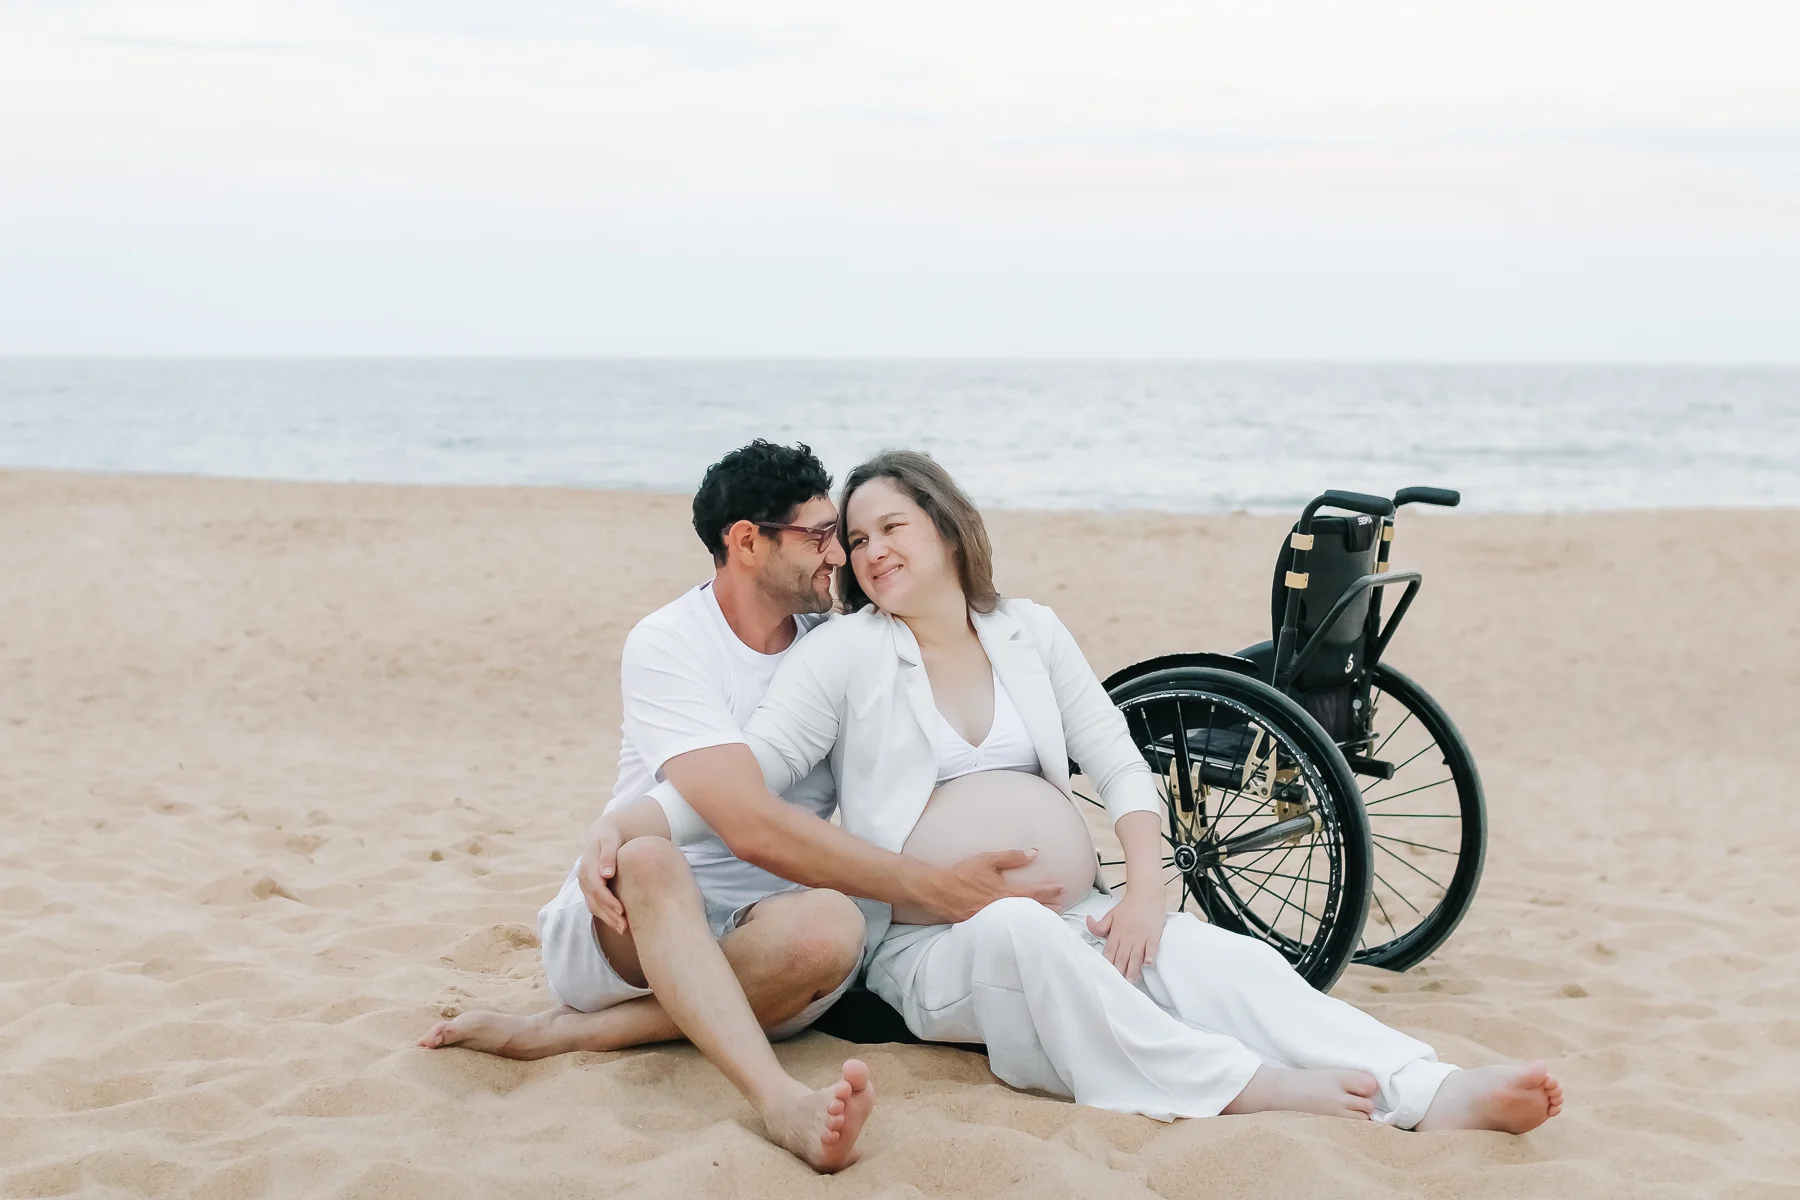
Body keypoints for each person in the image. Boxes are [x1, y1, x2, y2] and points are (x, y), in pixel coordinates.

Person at [603, 449, 1565, 1132]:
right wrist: (623, 825)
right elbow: (748, 774)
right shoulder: (846, 654)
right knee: (1019, 935)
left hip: (1083, 910)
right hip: (931, 946)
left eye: (891, 526)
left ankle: (1427, 1087)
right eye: (855, 539)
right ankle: (1241, 1087)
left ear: (947, 528)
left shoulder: (1030, 630)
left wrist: (1145, 892)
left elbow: (1117, 761)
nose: (870, 551)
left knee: (1218, 962)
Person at [420, 441, 1062, 1172]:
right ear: (748, 542)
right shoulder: (670, 642)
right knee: (650, 858)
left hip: (771, 943)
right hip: (630, 929)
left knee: (836, 922)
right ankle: (778, 1101)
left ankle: (579, 1033)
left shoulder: (834, 645)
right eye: (820, 537)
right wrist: (935, 887)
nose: (839, 558)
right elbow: (747, 826)